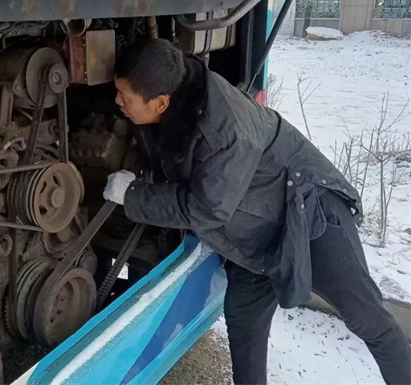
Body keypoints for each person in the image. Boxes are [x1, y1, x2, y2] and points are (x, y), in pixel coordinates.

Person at [102, 39, 410, 385]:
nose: (117, 102)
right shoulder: (176, 91)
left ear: (161, 103)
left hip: (309, 212)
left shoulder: (224, 132)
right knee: (244, 322)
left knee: (369, 319)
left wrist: (134, 196)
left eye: (124, 97)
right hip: (255, 233)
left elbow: (207, 208)